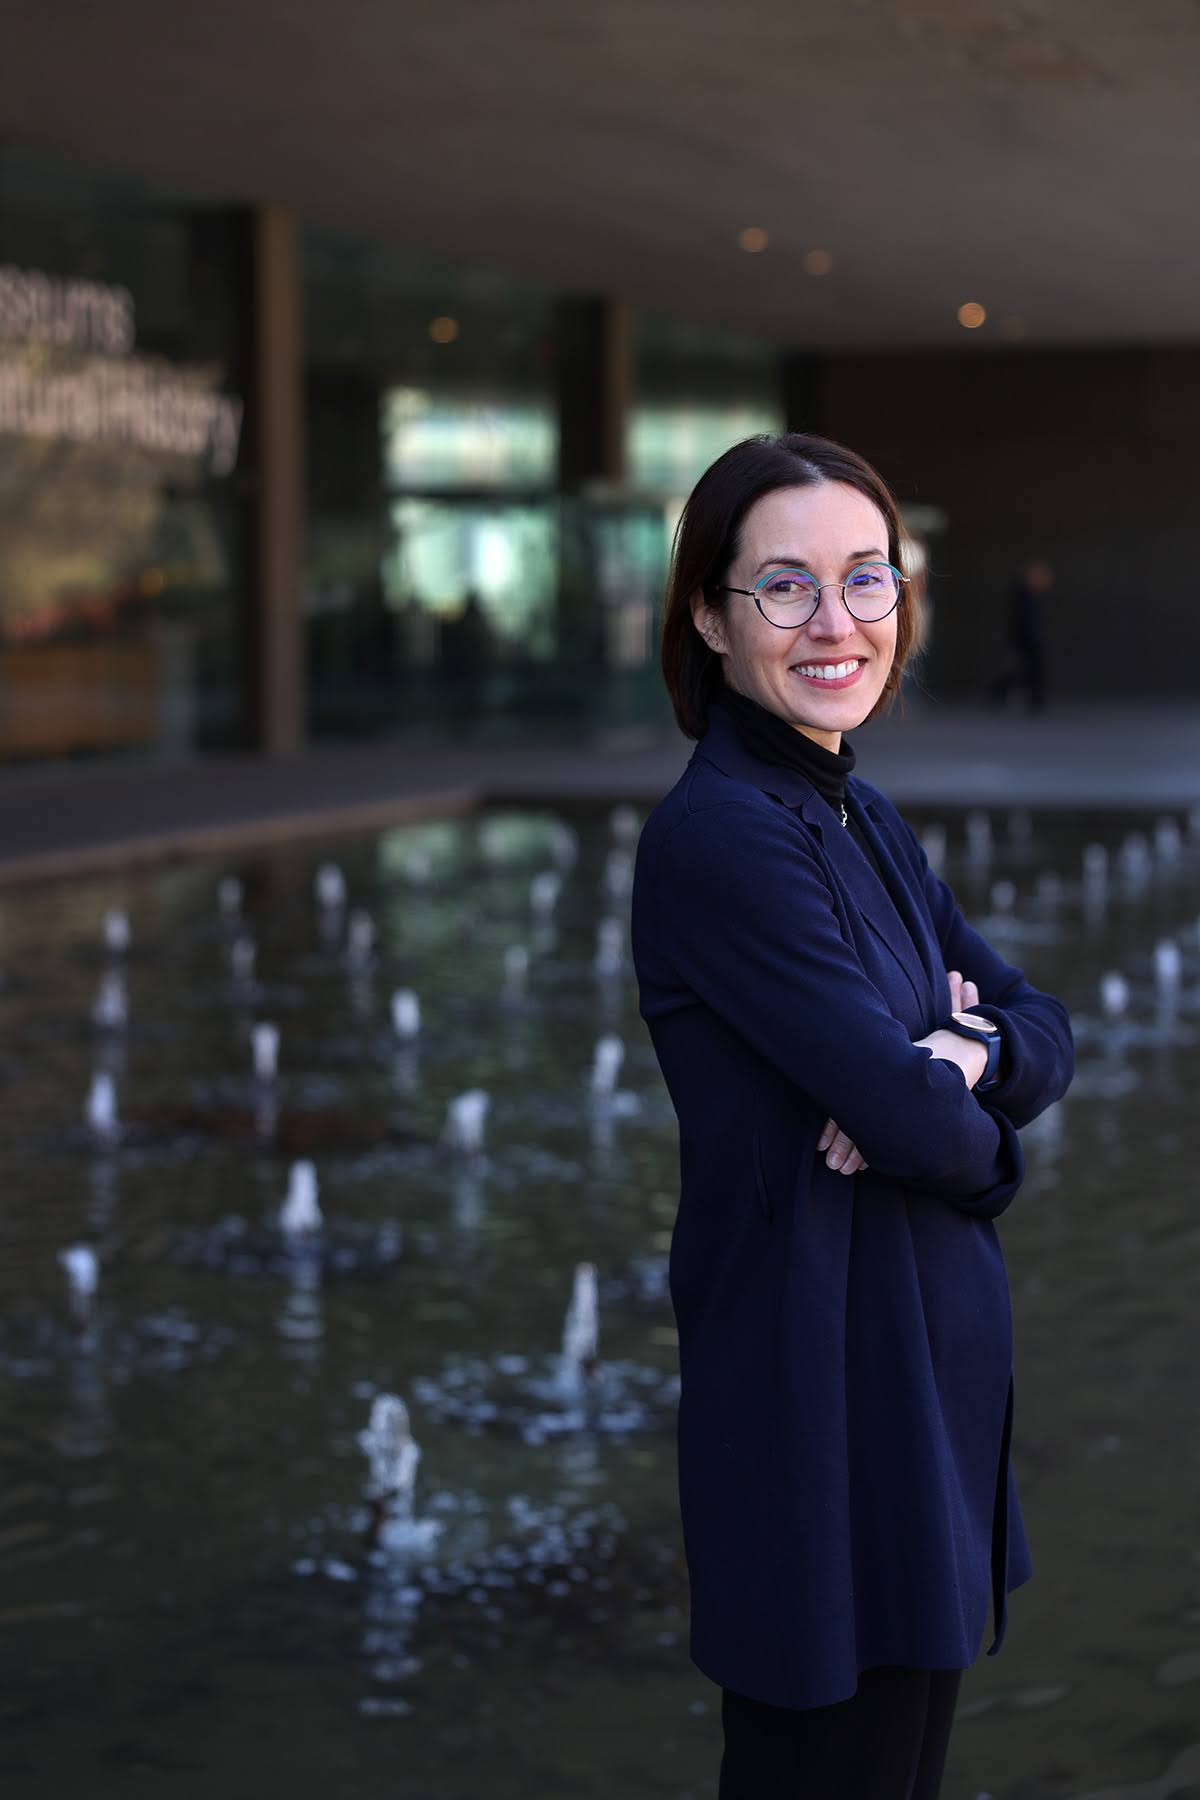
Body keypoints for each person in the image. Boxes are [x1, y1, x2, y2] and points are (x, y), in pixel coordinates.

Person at [630, 434, 1074, 1798]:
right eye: (785, 586)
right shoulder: (726, 836)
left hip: (914, 1394)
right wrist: (950, 1101)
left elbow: (1042, 1031)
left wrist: (950, 1052)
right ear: (708, 615)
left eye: (865, 578)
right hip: (818, 1413)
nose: (838, 623)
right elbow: (941, 1134)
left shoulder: (858, 808)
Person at [990, 560, 1053, 712]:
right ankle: (999, 693)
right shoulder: (1022, 596)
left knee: (1028, 671)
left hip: (1029, 639)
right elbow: (1018, 620)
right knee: (1022, 671)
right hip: (1024, 639)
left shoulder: (1029, 596)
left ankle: (1034, 700)